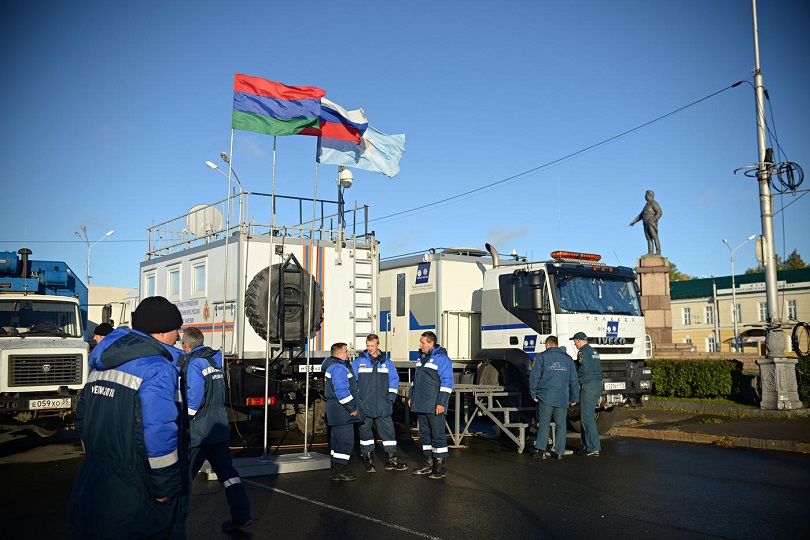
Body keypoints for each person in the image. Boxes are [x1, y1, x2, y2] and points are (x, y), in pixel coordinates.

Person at [67, 296, 188, 539]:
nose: (179, 333)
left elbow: (81, 418)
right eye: (177, 327)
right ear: (163, 330)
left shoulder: (102, 363)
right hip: (137, 486)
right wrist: (165, 486)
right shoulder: (157, 368)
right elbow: (159, 433)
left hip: (95, 478)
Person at [179, 327, 252, 532]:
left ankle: (172, 522)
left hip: (200, 430)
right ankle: (241, 514)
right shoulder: (215, 359)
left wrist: (185, 420)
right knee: (228, 474)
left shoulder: (194, 363)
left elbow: (194, 399)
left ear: (186, 345)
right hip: (219, 424)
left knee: (184, 477)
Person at [352, 334, 408, 473]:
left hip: (383, 405)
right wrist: (358, 399)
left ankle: (392, 461)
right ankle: (369, 462)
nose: (370, 348)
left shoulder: (387, 362)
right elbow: (352, 382)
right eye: (368, 346)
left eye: (372, 346)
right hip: (365, 405)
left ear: (378, 345)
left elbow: (394, 380)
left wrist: (390, 398)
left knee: (389, 434)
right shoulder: (358, 362)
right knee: (365, 435)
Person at [408, 331, 454, 479]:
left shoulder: (442, 359)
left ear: (431, 343)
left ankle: (439, 467)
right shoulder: (421, 358)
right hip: (421, 404)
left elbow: (447, 383)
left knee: (438, 436)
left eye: (422, 342)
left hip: (434, 405)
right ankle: (428, 464)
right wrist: (411, 396)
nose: (420, 345)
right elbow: (416, 380)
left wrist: (441, 403)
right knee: (425, 436)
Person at [529, 336, 579, 459]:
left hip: (545, 396)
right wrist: (574, 397)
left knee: (544, 423)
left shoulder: (542, 357)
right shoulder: (568, 359)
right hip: (562, 397)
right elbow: (574, 380)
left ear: (547, 345)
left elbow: (534, 377)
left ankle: (541, 450)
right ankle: (560, 452)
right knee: (561, 424)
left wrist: (533, 394)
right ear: (557, 344)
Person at [322, 342, 362, 481]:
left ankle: (335, 469)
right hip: (342, 412)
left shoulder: (332, 366)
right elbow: (342, 392)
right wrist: (352, 408)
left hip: (335, 410)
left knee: (336, 441)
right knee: (345, 442)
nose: (348, 354)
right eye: (346, 351)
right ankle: (339, 470)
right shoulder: (339, 368)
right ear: (339, 353)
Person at [571, 331, 602, 456]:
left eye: (574, 342)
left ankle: (594, 447)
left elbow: (584, 369)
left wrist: (574, 378)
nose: (574, 344)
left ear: (579, 340)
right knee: (585, 416)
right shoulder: (594, 351)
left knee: (587, 418)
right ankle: (585, 446)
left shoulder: (582, 352)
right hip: (597, 385)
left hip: (588, 386)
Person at [629, 189, 663, 255]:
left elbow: (659, 212)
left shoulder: (654, 203)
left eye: (645, 195)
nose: (644, 197)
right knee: (648, 238)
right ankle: (650, 252)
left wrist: (653, 220)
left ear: (649, 195)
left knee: (654, 236)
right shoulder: (646, 205)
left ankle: (658, 251)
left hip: (651, 222)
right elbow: (641, 215)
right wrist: (634, 222)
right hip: (645, 222)